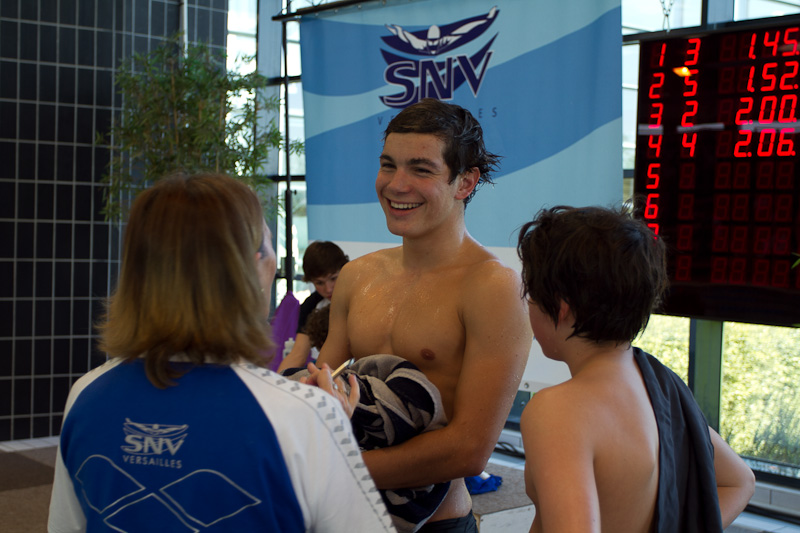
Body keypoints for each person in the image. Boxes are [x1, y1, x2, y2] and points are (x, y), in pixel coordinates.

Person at [47, 173, 394, 533]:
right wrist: (330, 432)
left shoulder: (86, 395)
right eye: (269, 244)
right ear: (252, 270)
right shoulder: (303, 415)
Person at [314, 98, 533, 531]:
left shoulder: (493, 287)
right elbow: (323, 391)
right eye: (388, 165)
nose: (396, 185)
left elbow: (469, 449)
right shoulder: (357, 276)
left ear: (465, 182)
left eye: (421, 169)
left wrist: (336, 468)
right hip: (344, 517)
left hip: (436, 522)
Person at [516, 205, 755, 533]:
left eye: (530, 294)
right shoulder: (659, 383)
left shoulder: (557, 411)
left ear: (560, 307)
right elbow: (739, 482)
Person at [277, 241, 348, 373]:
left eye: (333, 278)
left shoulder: (359, 297)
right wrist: (276, 382)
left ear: (345, 270)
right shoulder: (310, 305)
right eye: (319, 283)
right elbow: (298, 354)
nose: (328, 289)